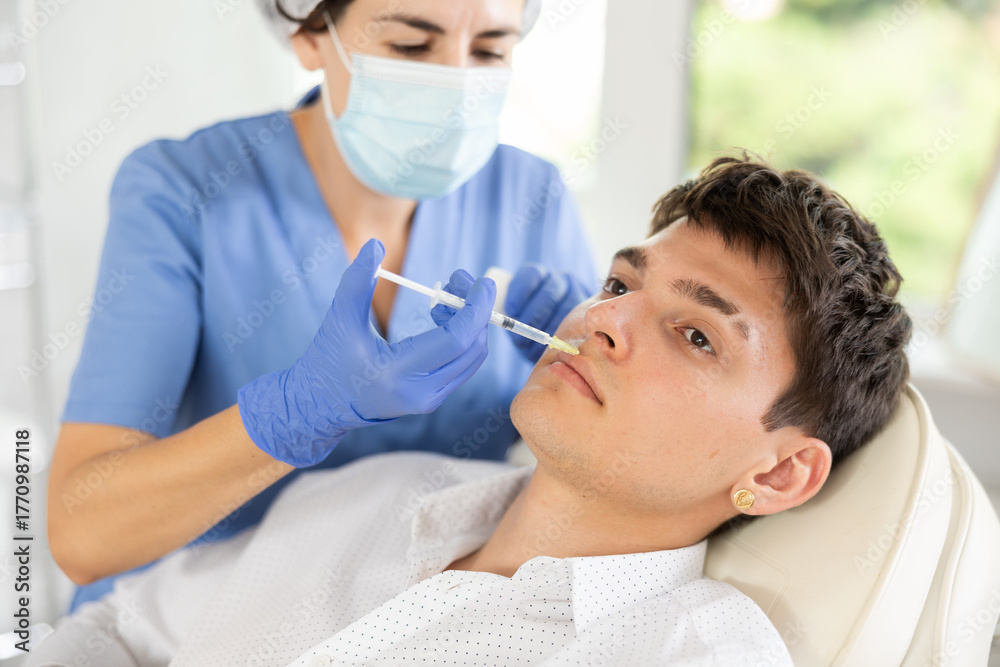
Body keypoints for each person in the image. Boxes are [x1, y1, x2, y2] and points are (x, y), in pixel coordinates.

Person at [28, 155, 912, 666]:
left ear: (780, 470)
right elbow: (121, 629)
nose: (602, 321)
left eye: (695, 336)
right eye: (618, 285)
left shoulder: (690, 651)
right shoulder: (382, 488)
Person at [47, 0, 599, 608]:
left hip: (396, 627)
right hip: (178, 622)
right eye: (412, 47)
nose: (460, 84)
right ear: (312, 33)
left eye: (490, 49)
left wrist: (585, 371)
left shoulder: (533, 197)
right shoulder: (186, 190)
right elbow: (83, 534)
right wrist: (293, 416)